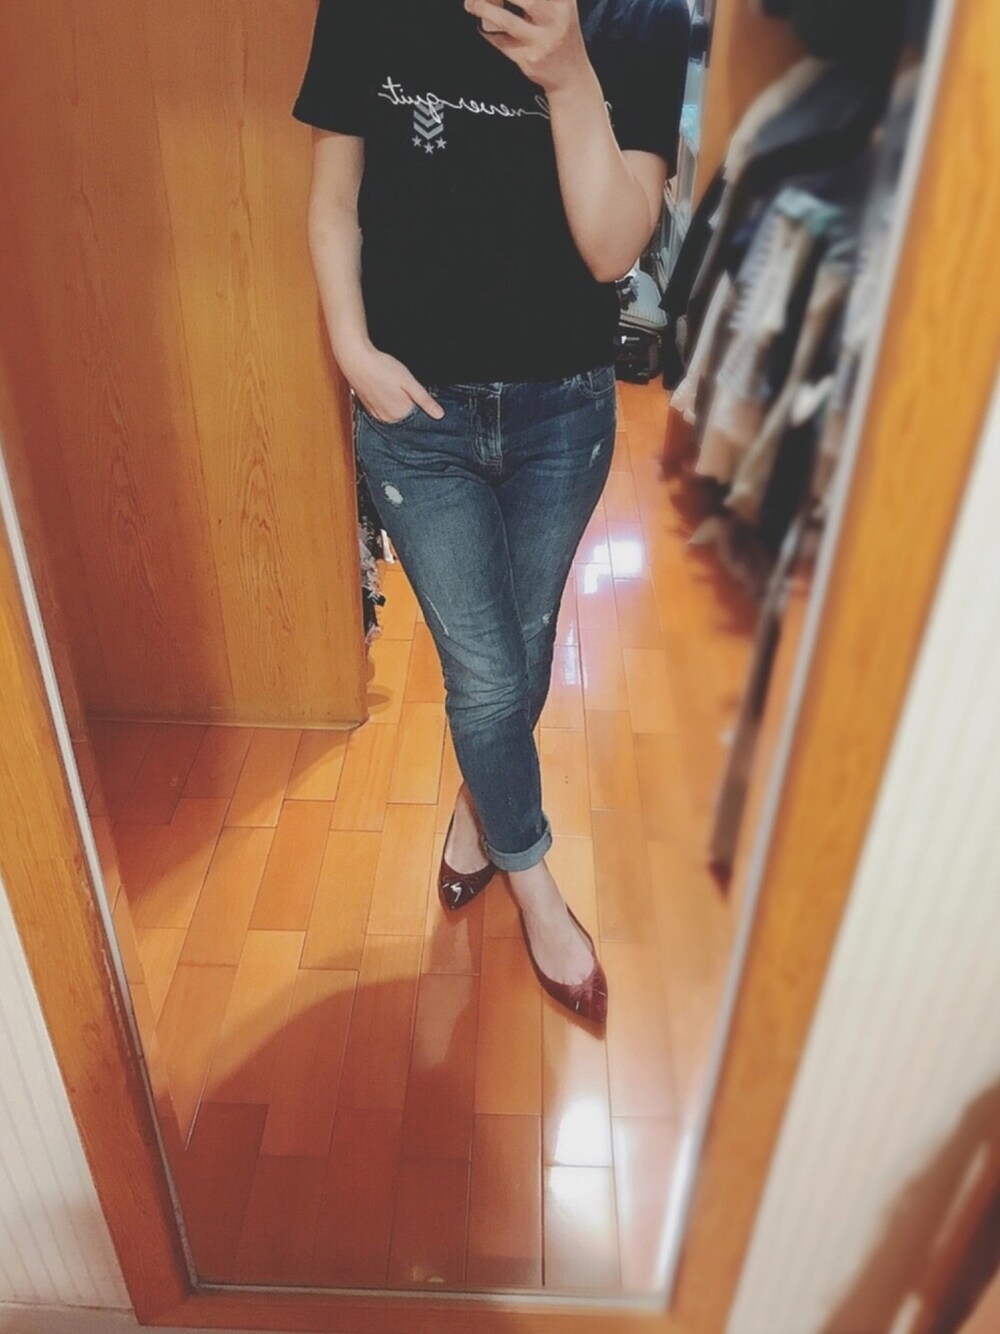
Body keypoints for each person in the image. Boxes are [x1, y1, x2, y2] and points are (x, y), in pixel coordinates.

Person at [292, 0, 690, 1025]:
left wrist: (568, 72)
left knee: (521, 646)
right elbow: (335, 199)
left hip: (563, 412)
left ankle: (479, 813)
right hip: (415, 416)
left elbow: (612, 250)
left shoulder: (639, 16)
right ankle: (532, 875)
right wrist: (352, 351)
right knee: (483, 668)